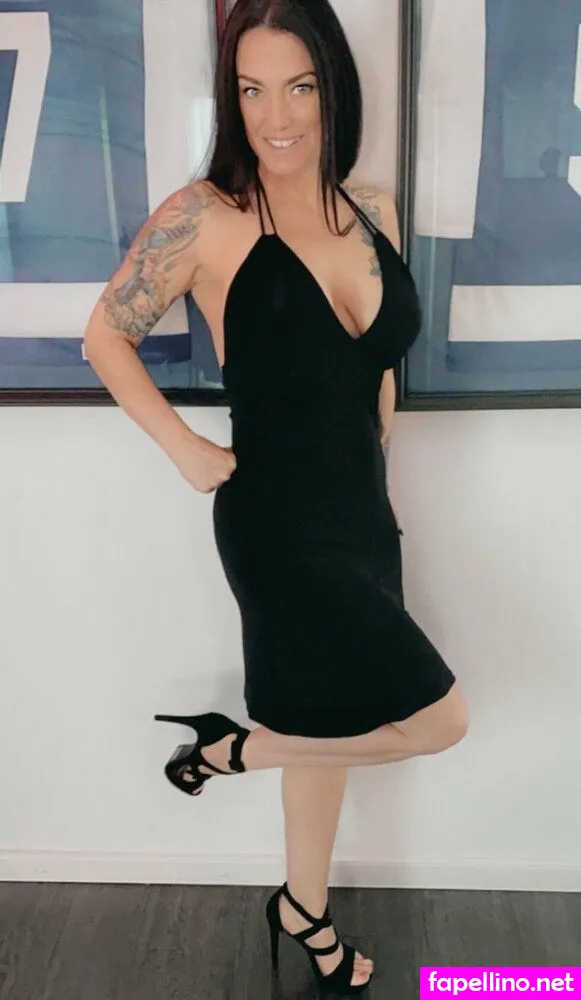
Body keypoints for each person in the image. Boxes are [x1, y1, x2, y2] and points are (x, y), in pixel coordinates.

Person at [84, 0, 470, 994]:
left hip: (360, 519)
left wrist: (378, 469)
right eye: (251, 91)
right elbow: (104, 335)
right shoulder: (204, 218)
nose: (277, 116)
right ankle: (232, 753)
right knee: (440, 720)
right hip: (276, 528)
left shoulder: (370, 209)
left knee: (326, 725)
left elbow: (373, 371)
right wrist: (184, 449)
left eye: (297, 86)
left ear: (332, 87)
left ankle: (304, 908)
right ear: (231, 98)